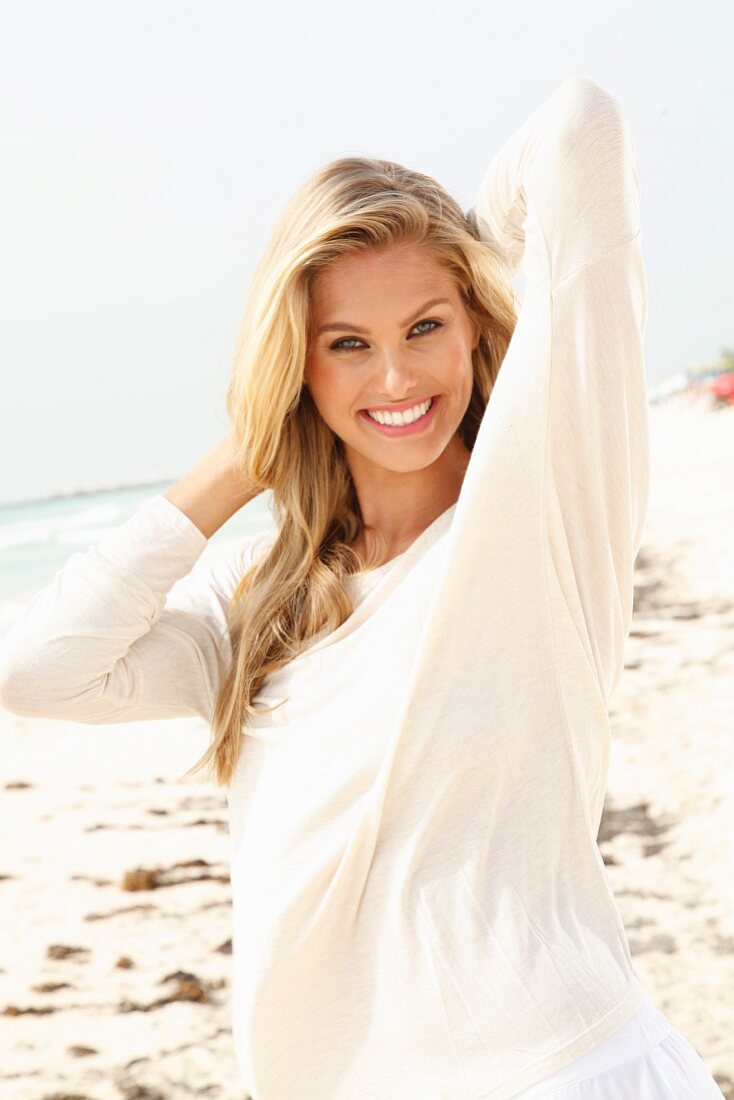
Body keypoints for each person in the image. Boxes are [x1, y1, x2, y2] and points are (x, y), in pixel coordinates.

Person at [0, 76, 725, 1099]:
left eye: (425, 326)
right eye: (347, 344)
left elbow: (579, 132)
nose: (394, 378)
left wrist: (455, 241)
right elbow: (37, 670)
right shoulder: (258, 601)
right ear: (297, 365)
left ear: (475, 324)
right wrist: (241, 457)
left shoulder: (544, 507)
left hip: (559, 1071)